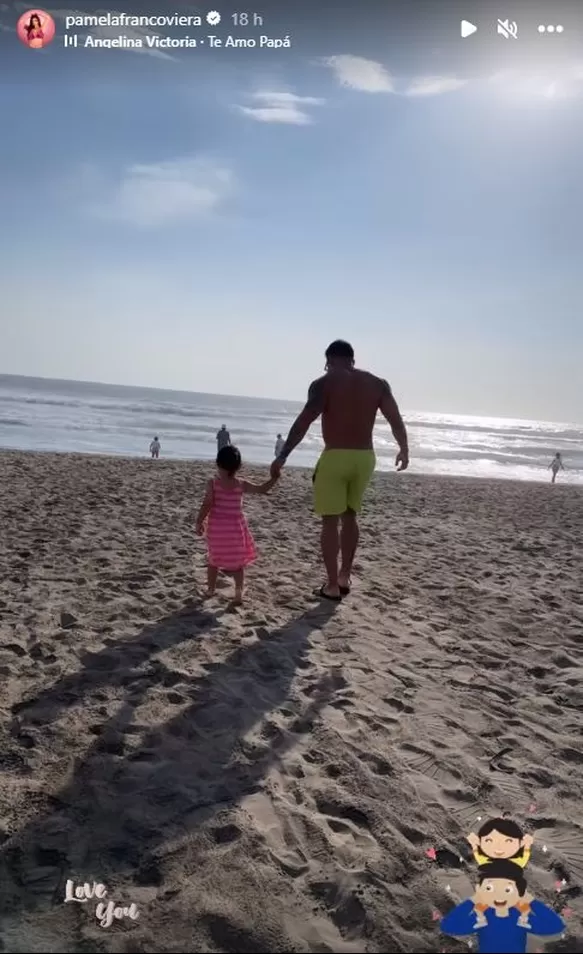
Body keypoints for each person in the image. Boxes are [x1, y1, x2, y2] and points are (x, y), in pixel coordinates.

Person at [270, 339, 409, 601]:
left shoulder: (324, 384)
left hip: (335, 457)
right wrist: (404, 449)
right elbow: (395, 420)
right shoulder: (378, 384)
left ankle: (332, 585)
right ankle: (345, 576)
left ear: (329, 360)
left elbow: (303, 423)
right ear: (352, 360)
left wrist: (283, 456)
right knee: (351, 515)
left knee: (329, 521)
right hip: (365, 458)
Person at [196, 445, 278, 604]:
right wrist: (274, 478)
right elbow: (261, 489)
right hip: (235, 530)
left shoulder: (213, 484)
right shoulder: (241, 484)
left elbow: (206, 505)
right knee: (238, 565)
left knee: (213, 561)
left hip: (217, 531)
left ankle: (210, 590)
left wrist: (199, 521)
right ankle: (238, 593)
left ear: (217, 463)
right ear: (239, 466)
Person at [440, 860, 564, 953]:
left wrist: (531, 901)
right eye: (490, 888)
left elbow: (556, 925)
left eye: (507, 889)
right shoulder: (483, 917)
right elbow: (448, 926)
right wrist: (473, 900)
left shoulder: (520, 918)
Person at [466, 818, 534, 928]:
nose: (498, 849)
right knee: (479, 908)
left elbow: (524, 857)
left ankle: (523, 920)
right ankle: (482, 920)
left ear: (519, 843)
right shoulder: (487, 862)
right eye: (489, 841)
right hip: (494, 893)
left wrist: (527, 846)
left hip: (508, 894)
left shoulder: (514, 864)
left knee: (524, 908)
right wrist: (474, 845)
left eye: (508, 841)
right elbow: (478, 855)